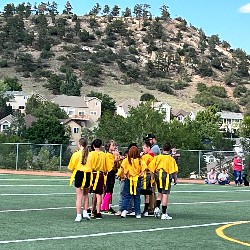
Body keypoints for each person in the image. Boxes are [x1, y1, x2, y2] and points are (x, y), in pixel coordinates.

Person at [148, 143, 178, 220]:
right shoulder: (171, 159)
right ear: (170, 150)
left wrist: (153, 177)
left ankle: (157, 208)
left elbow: (151, 168)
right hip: (166, 176)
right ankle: (164, 213)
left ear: (162, 149)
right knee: (165, 193)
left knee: (160, 192)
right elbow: (174, 171)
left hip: (158, 175)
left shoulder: (158, 157)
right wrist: (175, 179)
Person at [87, 139, 113, 219]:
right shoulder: (104, 155)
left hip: (93, 174)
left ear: (94, 146)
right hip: (101, 174)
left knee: (95, 193)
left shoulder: (91, 154)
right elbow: (107, 166)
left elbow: (89, 165)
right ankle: (96, 211)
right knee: (99, 193)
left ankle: (95, 211)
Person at [68, 138, 91, 222]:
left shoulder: (76, 154)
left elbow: (71, 166)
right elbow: (93, 166)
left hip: (79, 174)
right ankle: (85, 212)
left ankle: (78, 215)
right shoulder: (90, 154)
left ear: (80, 145)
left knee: (79, 196)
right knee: (86, 195)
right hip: (88, 174)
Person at [120, 146, 147, 219]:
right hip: (137, 179)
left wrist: (124, 175)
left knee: (126, 196)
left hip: (128, 179)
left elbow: (122, 168)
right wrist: (140, 175)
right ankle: (137, 212)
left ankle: (124, 211)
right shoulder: (140, 160)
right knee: (136, 196)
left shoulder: (126, 160)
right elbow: (144, 169)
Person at [101, 140, 120, 214]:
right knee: (108, 190)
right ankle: (104, 206)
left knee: (110, 190)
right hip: (109, 173)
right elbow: (113, 163)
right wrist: (117, 156)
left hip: (112, 173)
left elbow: (117, 164)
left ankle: (107, 206)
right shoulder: (108, 155)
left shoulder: (111, 154)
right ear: (108, 147)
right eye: (112, 145)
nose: (114, 147)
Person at [140, 141, 155, 216]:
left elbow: (141, 164)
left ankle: (146, 210)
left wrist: (140, 156)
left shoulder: (146, 156)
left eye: (144, 148)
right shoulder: (153, 155)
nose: (143, 150)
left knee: (145, 193)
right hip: (151, 175)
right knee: (148, 193)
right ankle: (147, 209)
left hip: (146, 175)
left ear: (148, 148)